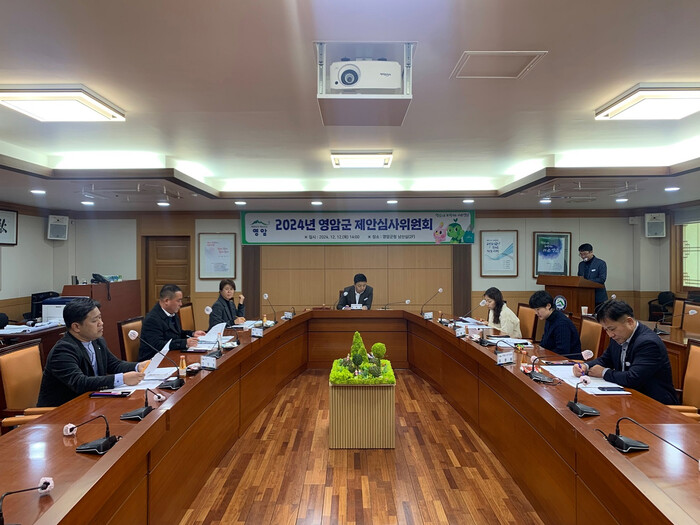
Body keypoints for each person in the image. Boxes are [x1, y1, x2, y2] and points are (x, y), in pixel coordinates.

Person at [37, 297, 149, 406]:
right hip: (62, 410)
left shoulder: (97, 341)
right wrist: (122, 379)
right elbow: (80, 382)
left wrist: (138, 366)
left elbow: (114, 365)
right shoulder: (63, 350)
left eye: (100, 317)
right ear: (76, 327)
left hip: (91, 403)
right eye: (95, 320)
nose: (101, 323)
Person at [573, 299, 677, 404]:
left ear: (629, 322)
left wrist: (604, 373)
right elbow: (605, 360)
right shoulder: (618, 336)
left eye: (612, 329)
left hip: (654, 404)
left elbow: (633, 378)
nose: (610, 334)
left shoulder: (648, 343)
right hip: (628, 398)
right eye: (606, 330)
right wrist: (586, 366)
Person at [139, 284, 207, 360]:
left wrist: (192, 334)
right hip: (154, 360)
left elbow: (177, 333)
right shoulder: (152, 319)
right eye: (178, 300)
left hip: (171, 355)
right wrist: (184, 343)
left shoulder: (172, 313)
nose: (181, 304)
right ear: (166, 301)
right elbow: (158, 345)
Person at [529, 290, 582, 358]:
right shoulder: (549, 318)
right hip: (551, 357)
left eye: (538, 309)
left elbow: (562, 351)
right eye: (535, 310)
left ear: (548, 306)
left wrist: (543, 355)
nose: (536, 313)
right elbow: (544, 343)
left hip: (567, 361)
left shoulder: (562, 323)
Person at [577, 243, 607, 307]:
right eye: (581, 254)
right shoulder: (581, 264)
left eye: (585, 254)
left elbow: (602, 279)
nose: (583, 256)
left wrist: (586, 282)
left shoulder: (601, 263)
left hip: (598, 297)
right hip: (584, 296)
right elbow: (579, 278)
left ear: (591, 252)